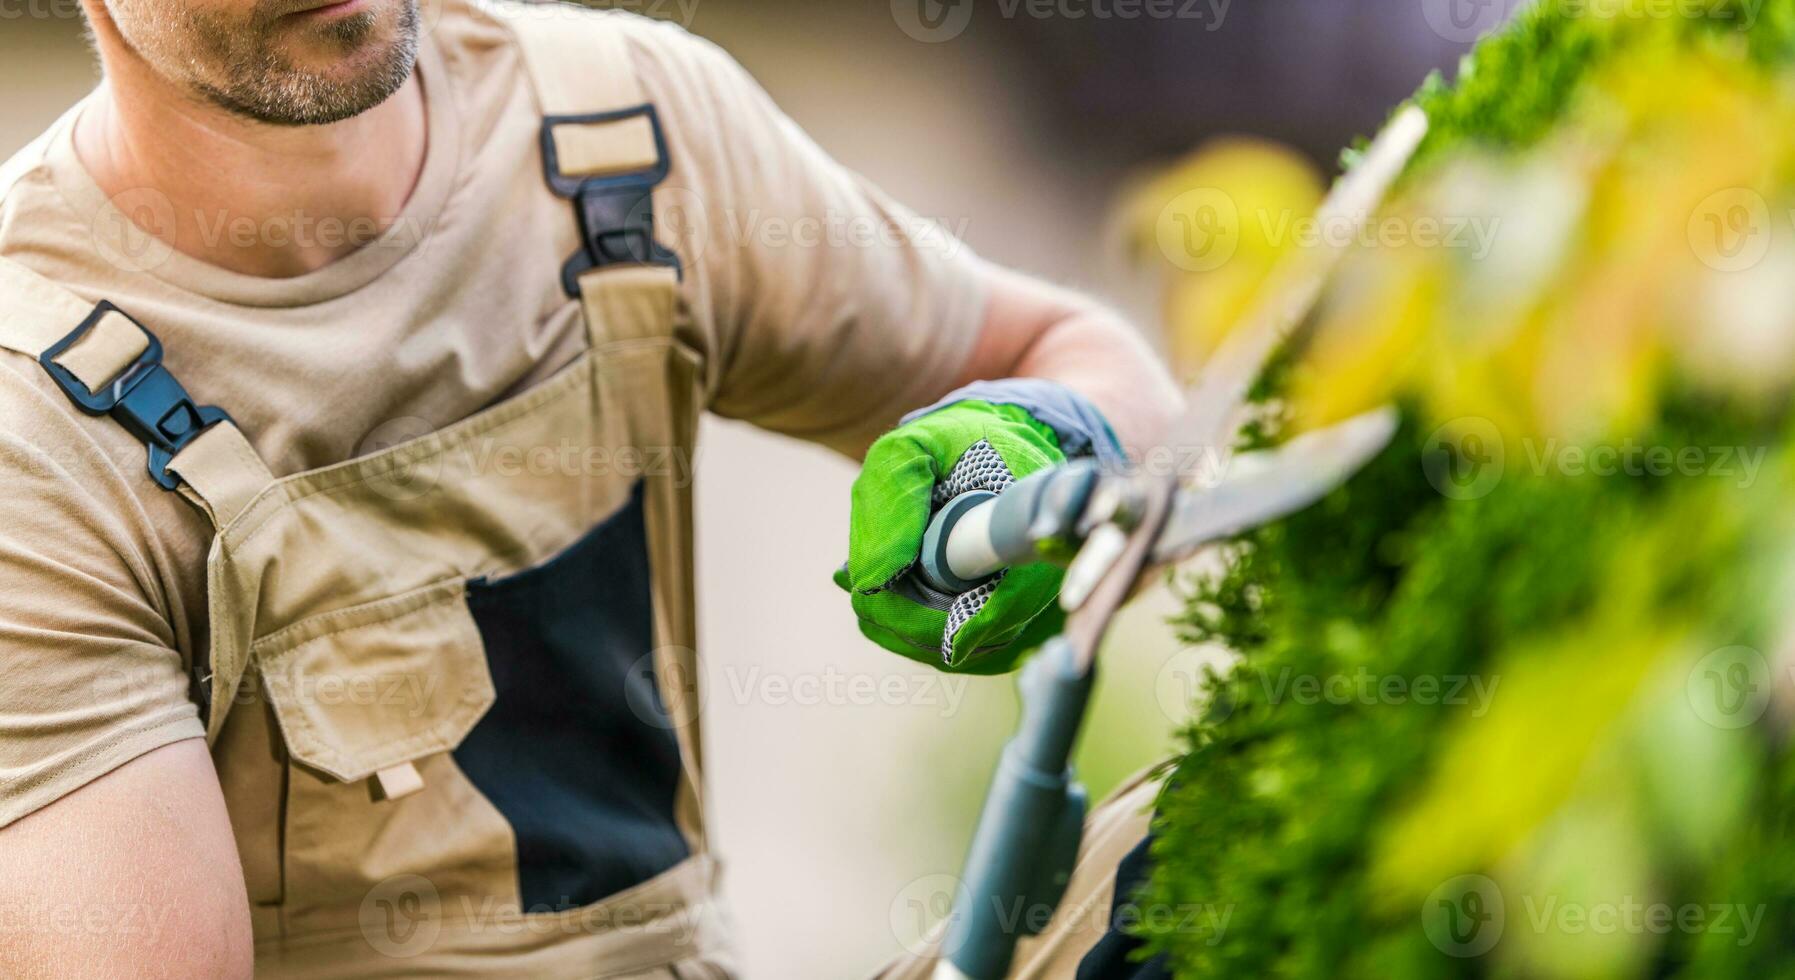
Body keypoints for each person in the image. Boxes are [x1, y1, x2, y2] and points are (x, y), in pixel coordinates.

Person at [0, 0, 1180, 975]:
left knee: (1207, 842)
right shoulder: (31, 425)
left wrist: (1043, 451)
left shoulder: (620, 129)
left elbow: (1077, 360)